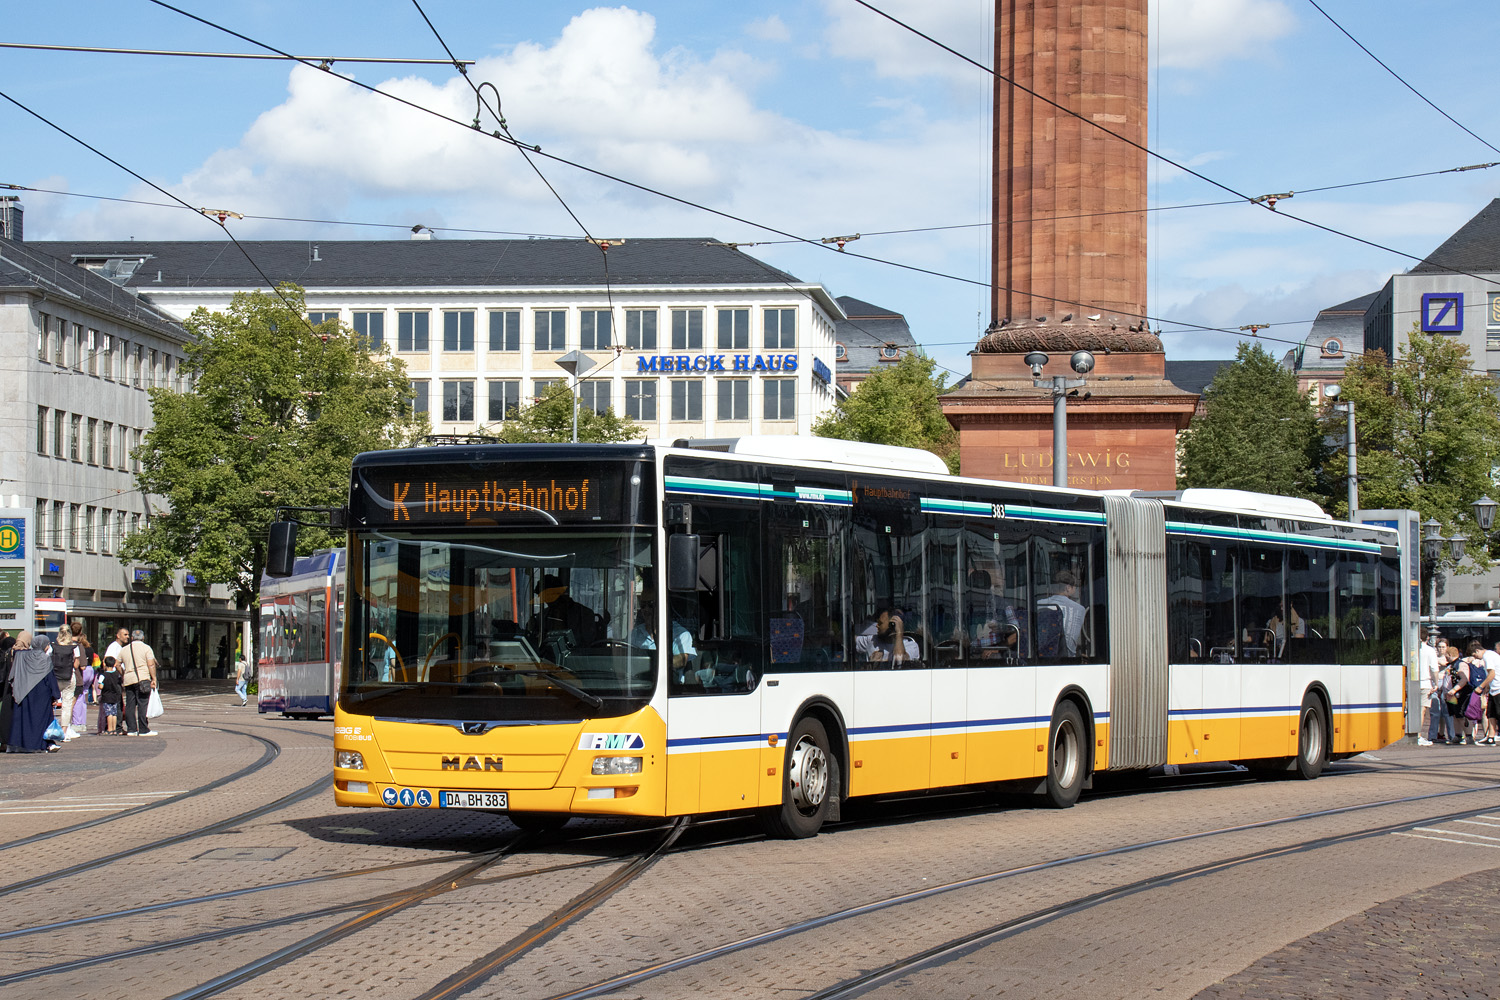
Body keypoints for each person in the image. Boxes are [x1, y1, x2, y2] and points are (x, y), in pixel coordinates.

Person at [7, 632, 62, 753]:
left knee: (23, 719)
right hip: (41, 695)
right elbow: (50, 678)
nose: (48, 647)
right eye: (47, 644)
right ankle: (40, 744)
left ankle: (19, 744)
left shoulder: (22, 656)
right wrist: (56, 695)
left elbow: (15, 653)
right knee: (40, 721)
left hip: (24, 692)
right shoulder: (45, 659)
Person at [629, 592, 698, 682]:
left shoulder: (680, 634)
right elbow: (627, 658)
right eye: (643, 605)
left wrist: (651, 665)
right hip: (638, 683)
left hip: (669, 685)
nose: (646, 609)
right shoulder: (635, 633)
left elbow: (681, 660)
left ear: (662, 607)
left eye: (651, 605)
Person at [528, 575, 607, 651]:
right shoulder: (542, 616)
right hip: (547, 660)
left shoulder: (584, 614)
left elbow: (587, 642)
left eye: (546, 596)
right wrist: (532, 629)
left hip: (578, 660)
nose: (544, 600)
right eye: (542, 597)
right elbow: (537, 643)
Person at [118, 629, 159, 737]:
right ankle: (143, 729)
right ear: (143, 638)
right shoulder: (146, 648)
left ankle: (131, 729)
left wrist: (123, 673)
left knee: (130, 705)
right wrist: (154, 678)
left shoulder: (124, 649)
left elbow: (117, 664)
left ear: (132, 638)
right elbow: (151, 664)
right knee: (142, 704)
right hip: (143, 678)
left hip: (128, 679)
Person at [1037, 570, 1087, 656]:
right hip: (1069, 657)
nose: (1076, 589)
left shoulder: (1039, 604)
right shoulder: (1080, 609)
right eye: (1075, 587)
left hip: (1042, 655)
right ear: (1068, 588)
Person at [50, 624, 82, 742]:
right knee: (67, 704)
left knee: (51, 702)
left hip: (55, 677)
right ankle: (63, 732)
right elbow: (76, 665)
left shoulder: (53, 646)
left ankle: (49, 728)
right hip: (69, 677)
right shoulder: (74, 647)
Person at [855, 608, 920, 664]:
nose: (877, 626)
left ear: (892, 625)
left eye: (880, 623)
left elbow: (900, 660)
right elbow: (853, 641)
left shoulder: (911, 646)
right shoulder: (872, 640)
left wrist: (899, 633)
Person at [1418, 630, 1440, 746]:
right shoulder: (1429, 650)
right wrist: (1436, 684)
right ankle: (1418, 735)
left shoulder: (1411, 648)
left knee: (1411, 709)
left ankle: (1410, 733)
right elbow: (1434, 669)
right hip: (1425, 683)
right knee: (1422, 710)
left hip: (1410, 683)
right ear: (1427, 638)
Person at [98, 656, 124, 735]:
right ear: (114, 664)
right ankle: (114, 729)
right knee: (114, 713)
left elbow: (100, 686)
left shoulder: (103, 675)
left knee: (109, 713)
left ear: (104, 664)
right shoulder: (117, 674)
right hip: (115, 695)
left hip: (107, 695)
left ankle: (109, 729)